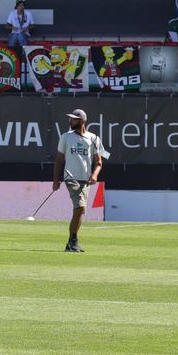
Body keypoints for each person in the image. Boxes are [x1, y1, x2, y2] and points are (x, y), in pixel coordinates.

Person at [53, 108, 104, 254]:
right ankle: (73, 241)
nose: (70, 121)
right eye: (70, 119)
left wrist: (94, 175)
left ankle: (72, 242)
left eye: (73, 119)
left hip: (86, 180)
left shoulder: (94, 138)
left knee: (80, 210)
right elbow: (58, 160)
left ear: (82, 121)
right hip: (70, 178)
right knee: (80, 207)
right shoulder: (66, 137)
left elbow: (99, 162)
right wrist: (56, 180)